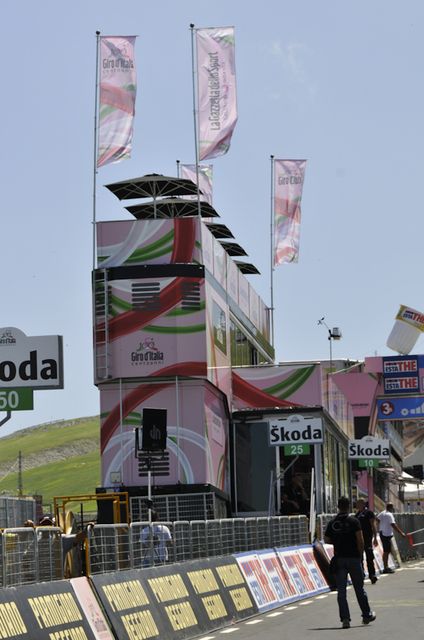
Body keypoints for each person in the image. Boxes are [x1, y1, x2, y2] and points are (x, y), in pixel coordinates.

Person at [324, 496, 376, 629]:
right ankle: (366, 614)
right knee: (359, 588)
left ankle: (345, 619)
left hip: (340, 558)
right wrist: (360, 555)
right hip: (353, 558)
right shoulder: (354, 521)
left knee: (341, 591)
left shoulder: (333, 523)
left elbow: (327, 540)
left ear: (338, 506)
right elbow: (360, 540)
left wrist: (338, 540)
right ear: (349, 506)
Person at [376, 502, 406, 573]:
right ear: (391, 507)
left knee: (387, 550)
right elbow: (393, 525)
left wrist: (380, 527)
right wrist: (401, 533)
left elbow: (377, 520)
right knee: (386, 551)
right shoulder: (389, 514)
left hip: (382, 533)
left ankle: (386, 566)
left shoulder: (382, 513)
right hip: (386, 534)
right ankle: (385, 567)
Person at [354, 499, 379, 584]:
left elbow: (373, 525)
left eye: (358, 503)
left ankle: (372, 575)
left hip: (367, 539)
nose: (357, 505)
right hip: (359, 540)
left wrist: (375, 537)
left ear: (363, 504)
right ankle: (361, 575)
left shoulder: (369, 513)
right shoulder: (356, 515)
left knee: (369, 557)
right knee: (360, 558)